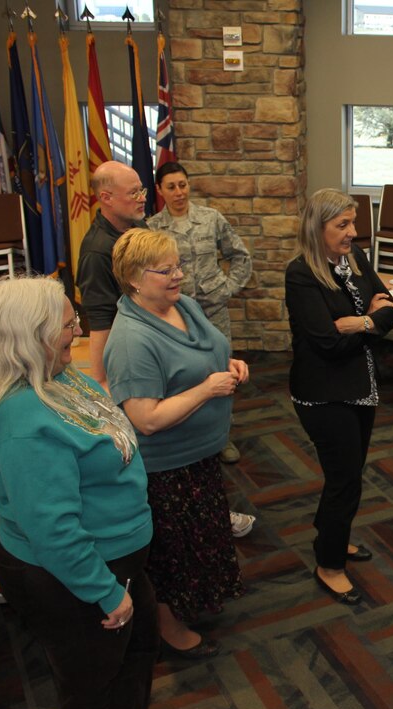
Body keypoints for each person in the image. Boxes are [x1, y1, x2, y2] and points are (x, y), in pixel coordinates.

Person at [0, 277, 157, 709]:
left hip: (113, 561)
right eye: (68, 325)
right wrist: (104, 592)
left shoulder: (58, 375)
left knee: (135, 658)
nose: (80, 332)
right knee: (91, 690)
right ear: (30, 336)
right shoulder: (23, 422)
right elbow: (53, 531)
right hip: (74, 577)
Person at [104, 228, 247, 659]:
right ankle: (169, 631)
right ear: (133, 279)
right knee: (172, 556)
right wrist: (207, 389)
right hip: (165, 470)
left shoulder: (180, 304)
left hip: (197, 457)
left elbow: (209, 348)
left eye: (178, 265)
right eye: (164, 270)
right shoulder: (131, 340)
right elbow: (145, 419)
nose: (178, 276)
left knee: (198, 542)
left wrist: (230, 364)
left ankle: (192, 606)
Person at [284, 188, 393, 605]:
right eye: (343, 225)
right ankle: (329, 563)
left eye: (353, 223)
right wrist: (370, 320)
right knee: (344, 479)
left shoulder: (355, 259)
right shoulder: (301, 274)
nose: (354, 232)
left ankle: (333, 536)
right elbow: (325, 344)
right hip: (322, 394)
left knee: (348, 474)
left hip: (359, 388)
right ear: (318, 229)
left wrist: (356, 322)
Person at [148, 161, 253, 468]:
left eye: (183, 184)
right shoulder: (153, 228)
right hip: (174, 314)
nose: (179, 192)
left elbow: (239, 256)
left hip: (212, 310)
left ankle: (221, 436)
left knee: (221, 368)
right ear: (160, 191)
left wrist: (227, 288)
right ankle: (188, 431)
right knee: (183, 374)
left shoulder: (211, 219)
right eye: (171, 187)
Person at [76, 160, 149, 390]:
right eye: (133, 193)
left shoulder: (137, 226)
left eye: (142, 190)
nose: (143, 198)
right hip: (130, 357)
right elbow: (100, 320)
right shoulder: (97, 251)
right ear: (107, 198)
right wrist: (101, 384)